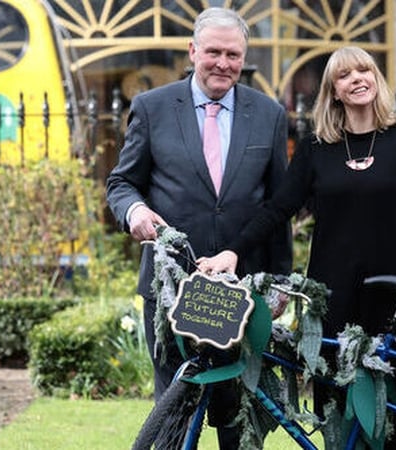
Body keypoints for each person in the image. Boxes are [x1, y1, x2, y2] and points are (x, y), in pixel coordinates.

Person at [198, 46, 396, 448]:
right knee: (336, 415)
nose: (358, 79)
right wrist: (233, 252)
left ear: (377, 79)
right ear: (334, 91)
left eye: (365, 70)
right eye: (345, 75)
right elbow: (277, 209)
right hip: (331, 298)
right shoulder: (317, 147)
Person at [105, 7, 291, 449]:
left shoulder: (268, 113)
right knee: (172, 406)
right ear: (192, 51)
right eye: (213, 52)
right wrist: (135, 213)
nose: (223, 63)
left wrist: (280, 278)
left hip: (240, 287)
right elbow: (122, 183)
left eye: (233, 54)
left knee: (236, 410)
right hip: (169, 288)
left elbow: (278, 206)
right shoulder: (151, 108)